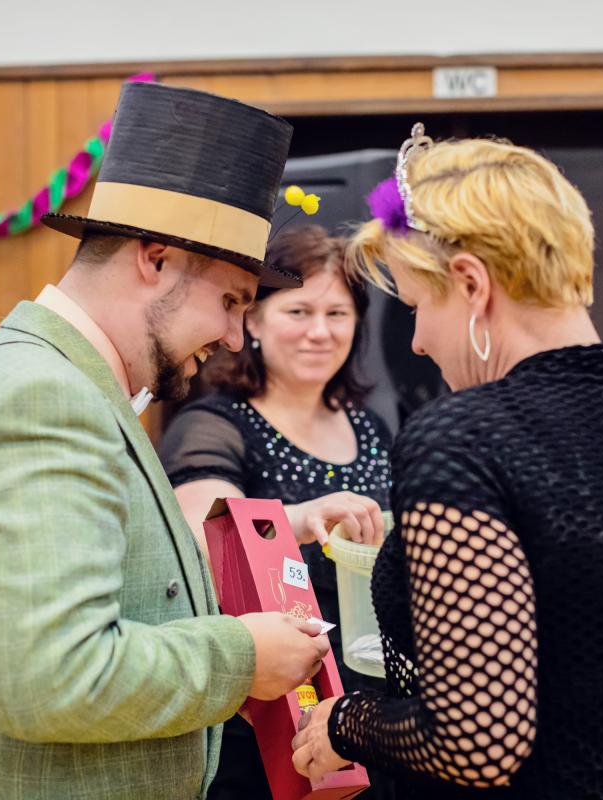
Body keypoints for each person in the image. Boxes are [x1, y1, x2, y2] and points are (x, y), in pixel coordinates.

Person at [290, 127, 603, 799]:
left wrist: (347, 722)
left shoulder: (462, 442)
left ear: (471, 284)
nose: (419, 341)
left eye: (417, 307)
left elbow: (479, 744)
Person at [0, 81, 329, 800]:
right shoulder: (42, 399)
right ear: (155, 259)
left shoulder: (57, 383)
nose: (232, 338)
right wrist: (241, 658)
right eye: (230, 301)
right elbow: (55, 681)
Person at [158, 224, 392, 799]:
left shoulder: (369, 428)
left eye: (337, 314)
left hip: (368, 703)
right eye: (299, 311)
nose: (320, 331)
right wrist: (303, 515)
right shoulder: (213, 423)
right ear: (255, 321)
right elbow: (201, 534)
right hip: (271, 705)